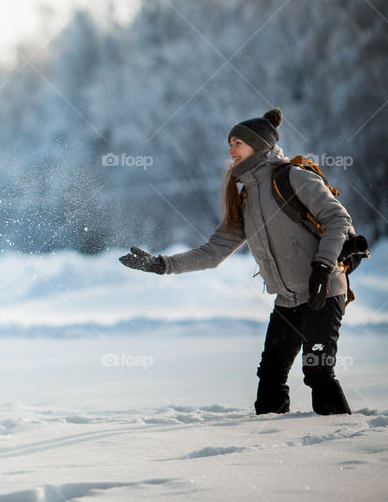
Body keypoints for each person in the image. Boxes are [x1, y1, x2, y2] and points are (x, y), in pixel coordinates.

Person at [119, 108, 352, 415]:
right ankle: (270, 445)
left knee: (318, 372)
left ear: (259, 145)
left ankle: (342, 442)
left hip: (323, 291)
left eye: (237, 143)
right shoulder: (245, 197)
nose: (231, 150)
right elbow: (213, 251)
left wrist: (323, 268)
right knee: (270, 375)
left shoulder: (294, 178)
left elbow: (338, 219)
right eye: (230, 143)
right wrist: (162, 264)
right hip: (288, 300)